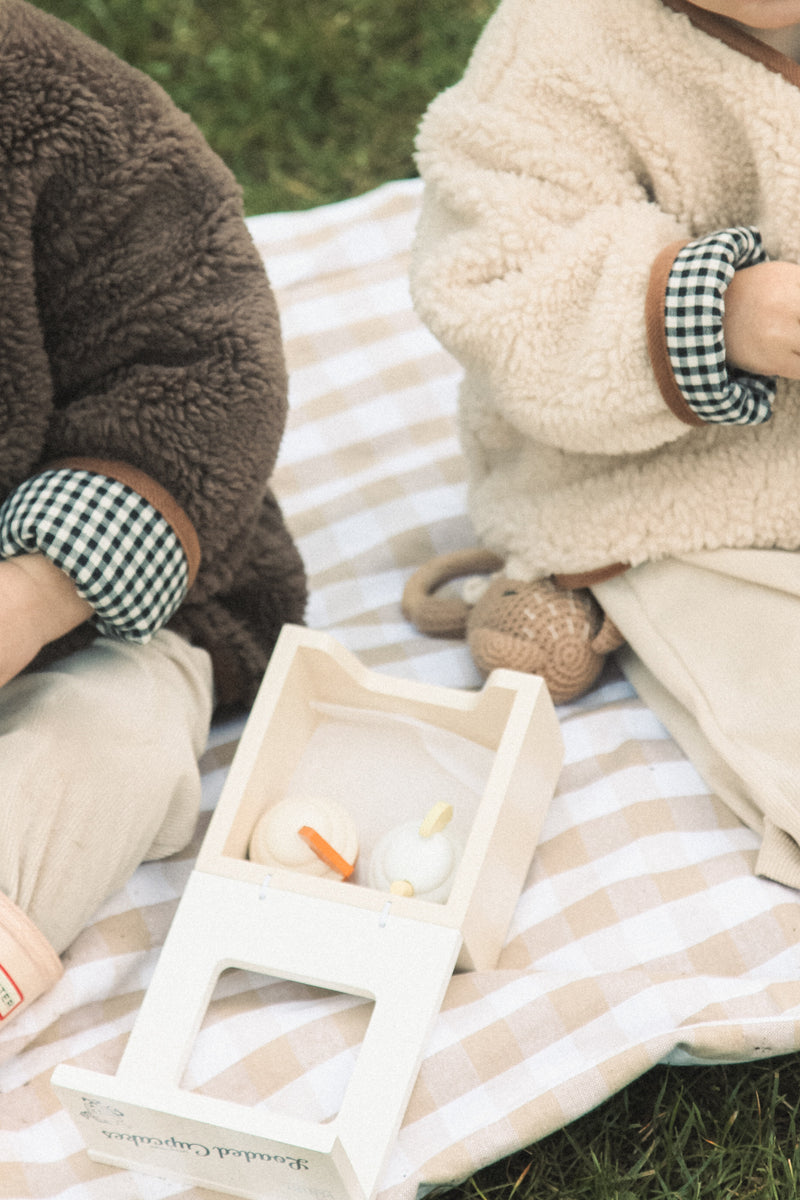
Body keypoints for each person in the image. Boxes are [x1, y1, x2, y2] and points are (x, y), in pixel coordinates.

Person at [410, 0, 800, 888]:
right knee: (776, 680)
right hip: (671, 485)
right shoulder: (556, 44)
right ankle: (592, 590)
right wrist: (718, 313)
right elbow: (502, 283)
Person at [0, 0, 306, 1018]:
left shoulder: (46, 100)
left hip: (100, 616)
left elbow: (210, 360)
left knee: (107, 741)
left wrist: (37, 595)